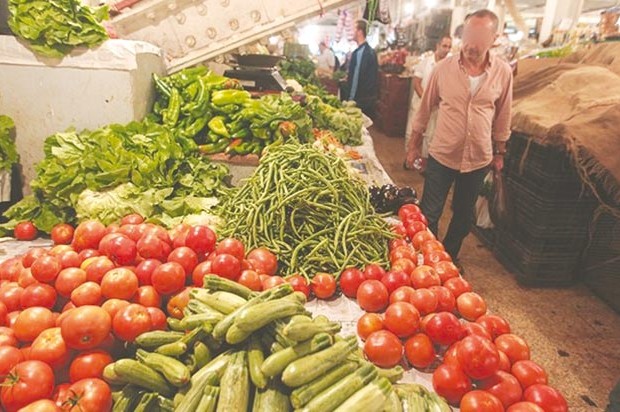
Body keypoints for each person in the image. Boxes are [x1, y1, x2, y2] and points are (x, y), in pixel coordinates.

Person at [405, 9, 513, 261]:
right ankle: (428, 259)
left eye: (478, 37)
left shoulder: (503, 72)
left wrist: (500, 151)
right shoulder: (443, 69)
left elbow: (503, 115)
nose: (470, 44)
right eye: (467, 35)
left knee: (465, 216)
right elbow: (424, 110)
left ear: (494, 38)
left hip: (478, 159)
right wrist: (413, 146)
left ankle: (448, 257)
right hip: (443, 154)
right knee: (430, 213)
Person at [404, 35, 452, 168]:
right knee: (413, 132)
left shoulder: (449, 65)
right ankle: (409, 158)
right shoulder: (425, 62)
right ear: (437, 46)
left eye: (449, 47)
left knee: (430, 136)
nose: (447, 49)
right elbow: (417, 83)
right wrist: (427, 100)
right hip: (420, 104)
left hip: (437, 108)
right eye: (444, 46)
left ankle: (423, 164)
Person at [347, 20, 379, 117]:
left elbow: (357, 78)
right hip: (365, 100)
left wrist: (352, 100)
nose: (351, 32)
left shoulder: (363, 53)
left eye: (353, 29)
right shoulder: (363, 51)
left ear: (360, 31)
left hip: (361, 101)